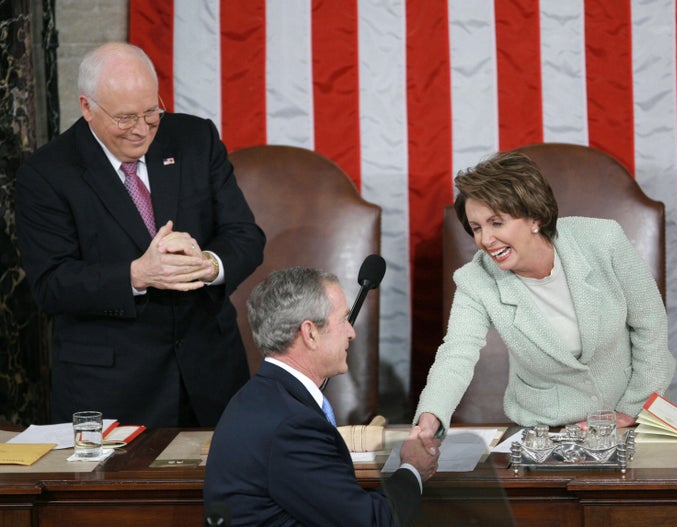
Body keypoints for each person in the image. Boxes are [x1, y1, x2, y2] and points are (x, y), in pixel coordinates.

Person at [14, 42, 266, 428]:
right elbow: (51, 284)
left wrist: (207, 265)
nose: (142, 129)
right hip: (111, 390)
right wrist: (136, 275)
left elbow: (245, 235)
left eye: (152, 112)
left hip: (211, 375)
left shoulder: (195, 139)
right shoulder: (48, 174)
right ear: (87, 107)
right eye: (125, 118)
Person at [414, 150, 676, 440]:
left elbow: (650, 323)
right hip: (548, 431)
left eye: (496, 223)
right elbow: (457, 353)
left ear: (534, 217)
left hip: (634, 419)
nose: (485, 240)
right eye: (476, 228)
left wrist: (633, 409)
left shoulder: (604, 240)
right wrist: (431, 415)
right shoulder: (476, 281)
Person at [204, 267, 440, 526]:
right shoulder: (292, 426)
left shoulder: (258, 397)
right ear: (310, 333)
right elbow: (371, 522)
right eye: (343, 320)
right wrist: (413, 468)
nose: (352, 333)